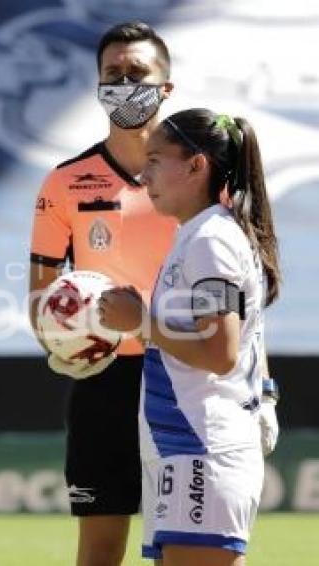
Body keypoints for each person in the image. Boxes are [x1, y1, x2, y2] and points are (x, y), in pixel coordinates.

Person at [98, 108, 281, 565]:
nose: (144, 173)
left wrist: (139, 322)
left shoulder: (211, 240)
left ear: (196, 165)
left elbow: (221, 353)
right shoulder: (198, 234)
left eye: (156, 159)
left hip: (202, 447)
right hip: (181, 448)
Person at [28, 21, 177, 566]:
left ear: (166, 88)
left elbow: (239, 288)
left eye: (137, 73)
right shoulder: (65, 182)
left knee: (185, 546)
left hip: (182, 372)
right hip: (102, 380)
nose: (124, 83)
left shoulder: (202, 177)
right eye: (112, 74)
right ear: (96, 85)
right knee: (99, 551)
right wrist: (60, 341)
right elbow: (39, 294)